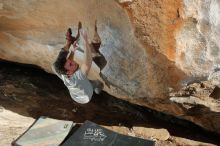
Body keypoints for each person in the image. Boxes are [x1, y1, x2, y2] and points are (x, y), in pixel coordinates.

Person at [52, 22, 103, 104]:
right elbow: (87, 64)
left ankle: (68, 42)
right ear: (69, 73)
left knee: (54, 66)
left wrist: (72, 51)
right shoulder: (77, 77)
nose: (73, 61)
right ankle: (96, 87)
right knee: (97, 84)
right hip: (86, 97)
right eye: (71, 64)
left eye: (70, 61)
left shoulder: (65, 73)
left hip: (76, 91)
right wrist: (85, 40)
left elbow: (67, 64)